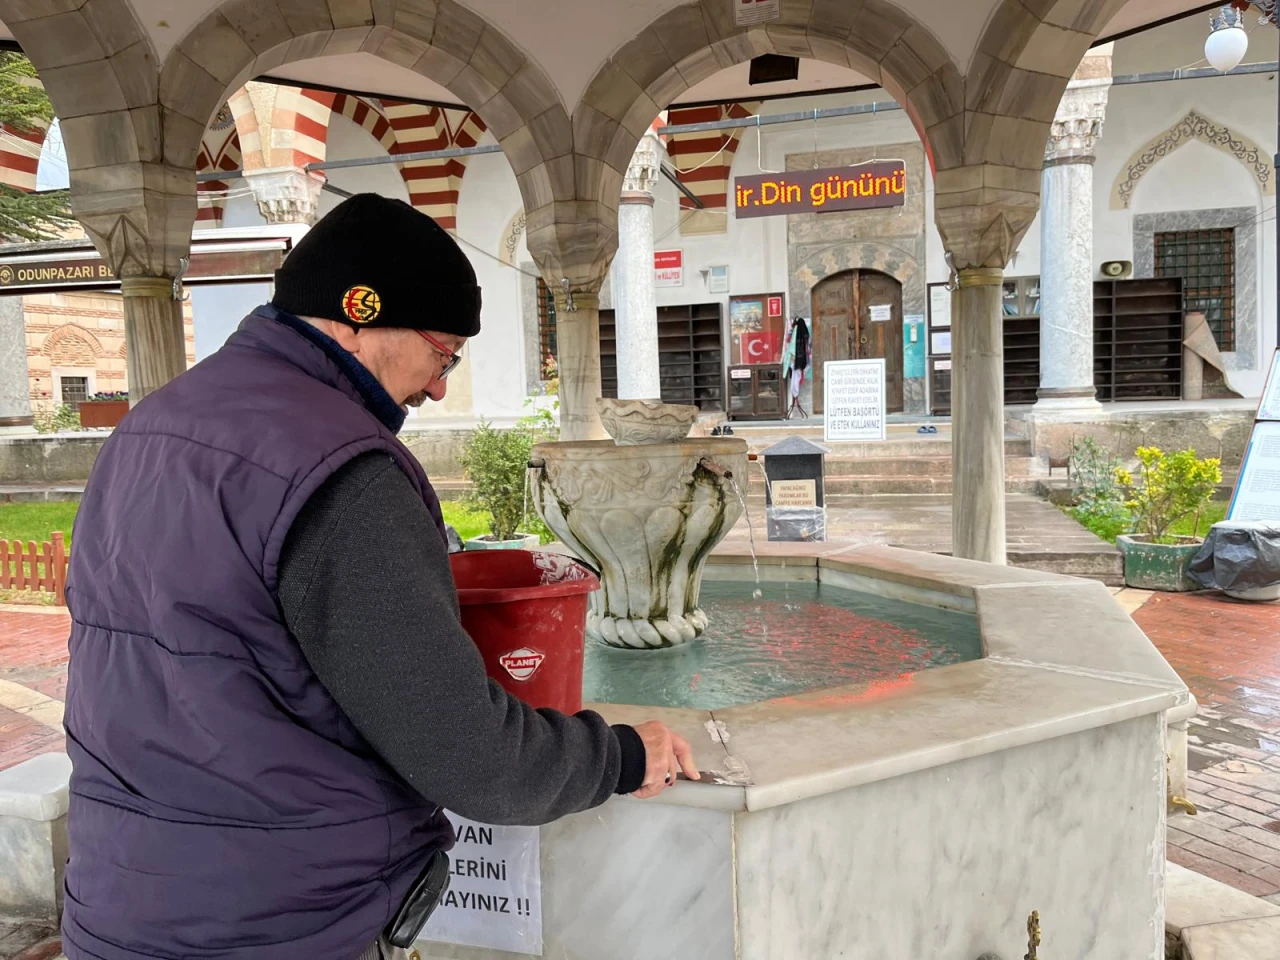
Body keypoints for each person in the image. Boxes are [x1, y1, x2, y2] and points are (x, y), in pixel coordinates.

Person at [60, 194, 698, 960]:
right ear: (359, 315)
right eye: (442, 352)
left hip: (123, 901)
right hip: (282, 923)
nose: (437, 387)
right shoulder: (338, 468)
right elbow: (472, 759)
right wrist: (624, 754)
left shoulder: (149, 428)